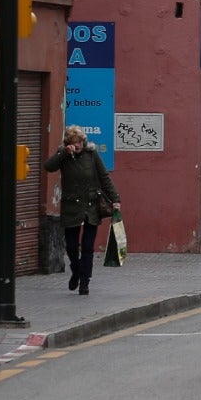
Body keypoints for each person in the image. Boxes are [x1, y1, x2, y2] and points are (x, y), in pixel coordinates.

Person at [44, 125, 119, 296]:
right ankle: (76, 271)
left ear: (83, 142)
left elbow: (104, 177)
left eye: (79, 142)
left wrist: (115, 199)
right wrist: (63, 152)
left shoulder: (91, 155)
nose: (77, 145)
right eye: (73, 142)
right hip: (71, 208)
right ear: (68, 143)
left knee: (87, 247)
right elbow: (48, 167)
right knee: (71, 247)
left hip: (91, 207)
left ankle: (85, 282)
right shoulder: (64, 157)